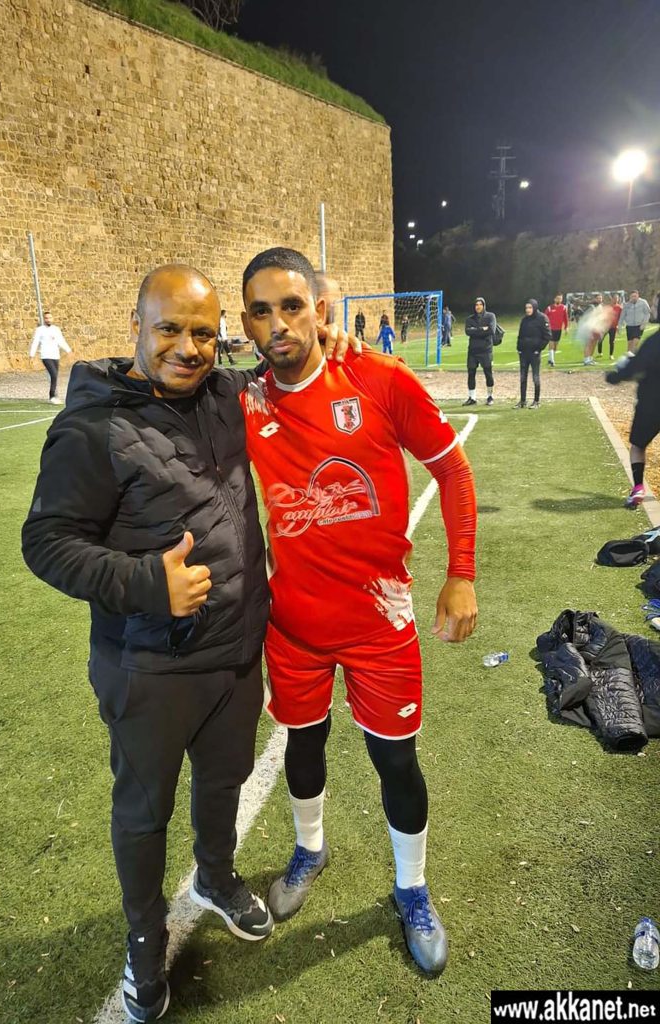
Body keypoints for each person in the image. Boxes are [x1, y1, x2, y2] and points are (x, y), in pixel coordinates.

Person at [21, 265, 357, 1023]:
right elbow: (45, 542)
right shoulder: (92, 428)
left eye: (203, 333)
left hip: (234, 656)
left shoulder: (226, 394)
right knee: (144, 811)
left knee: (224, 781)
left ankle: (215, 875)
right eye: (169, 328)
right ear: (136, 326)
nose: (187, 347)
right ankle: (145, 941)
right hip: (148, 666)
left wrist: (332, 340)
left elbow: (289, 365)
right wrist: (147, 582)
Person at [239, 247, 478, 976]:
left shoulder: (377, 378)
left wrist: (460, 574)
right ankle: (309, 849)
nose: (279, 324)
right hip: (293, 627)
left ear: (319, 309)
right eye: (261, 311)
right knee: (302, 746)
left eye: (292, 306)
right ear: (246, 324)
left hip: (381, 624)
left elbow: (451, 469)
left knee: (394, 758)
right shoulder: (243, 401)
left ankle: (412, 888)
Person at [606, 333, 660, 509]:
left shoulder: (654, 342)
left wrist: (615, 376)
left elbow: (635, 368)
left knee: (638, 445)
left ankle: (638, 488)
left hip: (650, 404)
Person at [29, 310, 72, 404]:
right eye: (46, 318)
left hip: (55, 356)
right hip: (45, 356)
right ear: (44, 319)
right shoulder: (40, 330)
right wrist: (32, 355)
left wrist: (68, 350)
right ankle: (52, 396)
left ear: (52, 319)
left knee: (54, 376)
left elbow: (61, 341)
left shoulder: (56, 329)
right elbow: (35, 342)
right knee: (54, 374)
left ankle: (55, 395)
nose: (48, 320)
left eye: (49, 318)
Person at [515, 300, 551, 409]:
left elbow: (547, 336)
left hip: (534, 353)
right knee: (523, 377)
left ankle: (536, 401)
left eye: (530, 307)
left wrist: (538, 349)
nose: (528, 310)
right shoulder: (524, 320)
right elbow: (520, 335)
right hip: (523, 353)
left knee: (535, 377)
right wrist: (519, 348)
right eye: (526, 308)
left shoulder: (542, 318)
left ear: (534, 307)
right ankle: (523, 401)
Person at [463, 297, 496, 406]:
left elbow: (491, 330)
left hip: (486, 350)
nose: (478, 306)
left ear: (484, 305)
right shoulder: (470, 319)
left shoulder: (490, 316)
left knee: (488, 373)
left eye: (480, 304)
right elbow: (468, 331)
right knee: (471, 373)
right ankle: (472, 398)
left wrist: (475, 330)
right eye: (476, 304)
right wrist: (482, 329)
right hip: (473, 351)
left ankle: (490, 396)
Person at [618, 289, 651, 355]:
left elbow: (647, 313)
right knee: (630, 345)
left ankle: (632, 356)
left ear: (638, 296)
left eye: (635, 296)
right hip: (629, 326)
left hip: (639, 326)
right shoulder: (626, 305)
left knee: (635, 342)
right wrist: (619, 327)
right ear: (630, 297)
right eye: (632, 296)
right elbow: (622, 316)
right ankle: (630, 357)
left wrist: (644, 324)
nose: (634, 298)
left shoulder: (643, 302)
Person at [543, 294, 568, 367]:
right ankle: (552, 361)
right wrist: (545, 326)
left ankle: (550, 359)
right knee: (551, 343)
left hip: (558, 329)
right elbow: (544, 317)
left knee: (556, 346)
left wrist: (566, 327)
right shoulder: (549, 308)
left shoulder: (564, 308)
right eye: (557, 298)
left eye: (560, 299)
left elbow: (565, 318)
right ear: (554, 299)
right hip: (550, 329)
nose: (559, 300)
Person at [598, 294, 622, 360]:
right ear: (612, 299)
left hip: (613, 327)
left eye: (617, 298)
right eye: (614, 298)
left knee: (612, 341)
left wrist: (618, 326)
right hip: (605, 326)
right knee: (600, 339)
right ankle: (600, 352)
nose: (616, 299)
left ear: (618, 299)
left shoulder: (619, 308)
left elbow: (620, 318)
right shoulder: (607, 307)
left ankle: (611, 355)